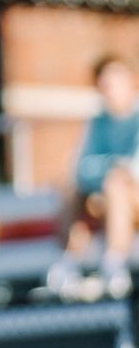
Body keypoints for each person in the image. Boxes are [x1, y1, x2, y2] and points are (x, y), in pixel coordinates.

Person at [49, 55, 139, 299]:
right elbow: (81, 168)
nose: (110, 89)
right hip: (104, 198)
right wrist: (109, 171)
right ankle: (68, 262)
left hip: (128, 196)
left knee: (115, 184)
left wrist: (107, 175)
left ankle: (114, 264)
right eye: (105, 83)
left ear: (131, 82)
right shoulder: (98, 122)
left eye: (114, 81)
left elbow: (133, 169)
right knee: (70, 188)